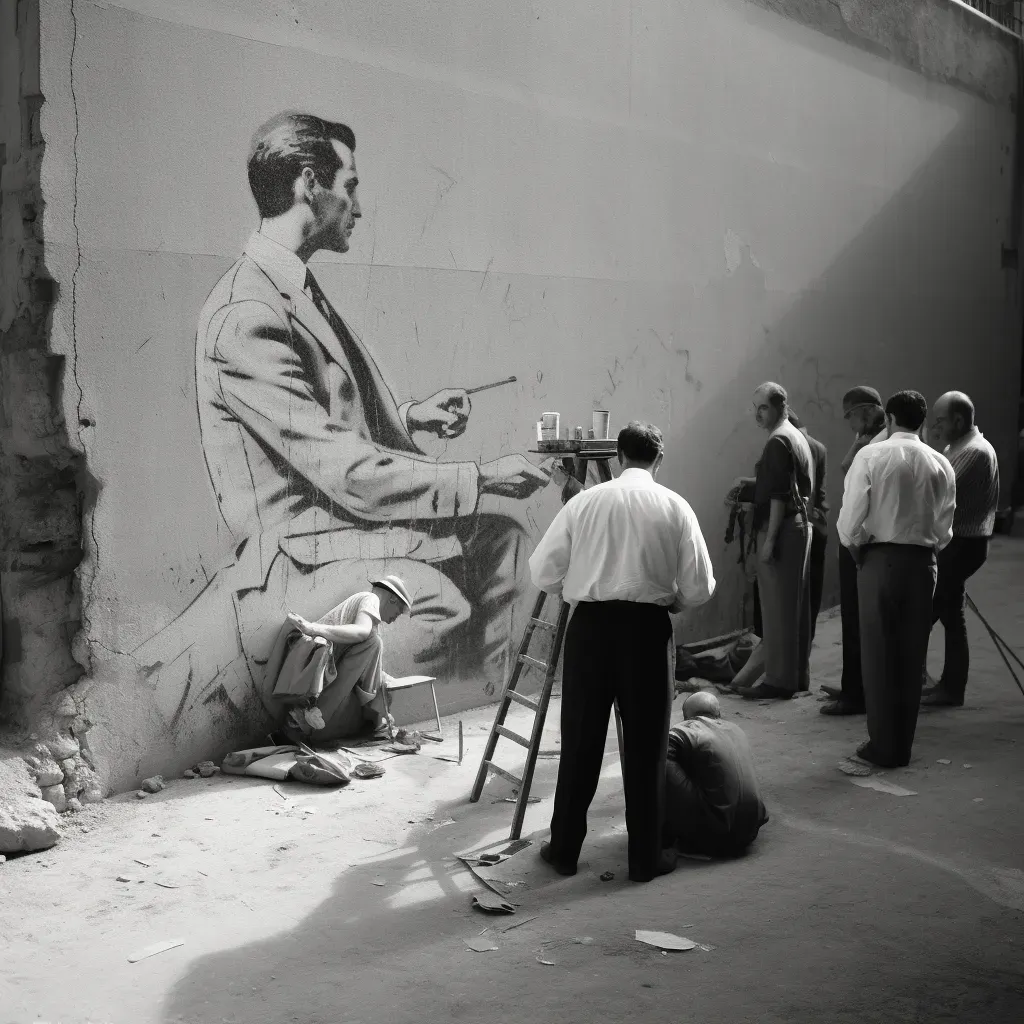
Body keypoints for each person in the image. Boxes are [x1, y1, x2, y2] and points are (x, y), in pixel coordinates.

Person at [135, 111, 552, 729]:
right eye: (350, 185)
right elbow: (348, 473)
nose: (358, 206)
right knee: (446, 602)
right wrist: (484, 477)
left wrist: (413, 415)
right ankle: (342, 718)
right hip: (302, 549)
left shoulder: (291, 290)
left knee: (501, 542)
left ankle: (475, 706)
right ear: (310, 183)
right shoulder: (247, 315)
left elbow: (316, 421)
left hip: (339, 527)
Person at [528, 421, 716, 883]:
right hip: (647, 633)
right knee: (647, 747)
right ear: (659, 459)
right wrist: (674, 600)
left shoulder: (586, 502)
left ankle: (565, 851)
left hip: (591, 629)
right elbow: (700, 585)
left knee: (580, 743)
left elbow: (542, 571)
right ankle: (645, 858)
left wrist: (575, 590)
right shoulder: (675, 506)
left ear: (617, 457)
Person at [836, 390, 955, 769]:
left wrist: (858, 555)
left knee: (878, 655)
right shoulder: (941, 463)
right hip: (923, 564)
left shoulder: (871, 455)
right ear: (922, 422)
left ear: (888, 418)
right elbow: (944, 530)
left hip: (879, 560)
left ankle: (882, 744)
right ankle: (901, 745)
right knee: (911, 653)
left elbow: (850, 522)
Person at [733, 383, 814, 701]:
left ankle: (779, 681)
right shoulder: (796, 436)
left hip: (781, 530)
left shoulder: (780, 439)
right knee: (794, 609)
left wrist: (768, 544)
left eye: (763, 407)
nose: (756, 414)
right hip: (799, 526)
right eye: (755, 407)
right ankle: (796, 677)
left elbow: (780, 496)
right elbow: (786, 483)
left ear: (781, 406)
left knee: (777, 610)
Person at [921, 392, 1000, 708]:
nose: (936, 428)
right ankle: (947, 686)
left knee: (932, 613)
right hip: (959, 543)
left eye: (939, 421)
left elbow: (936, 488)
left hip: (964, 544)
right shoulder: (958, 447)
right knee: (947, 614)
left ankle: (941, 687)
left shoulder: (974, 452)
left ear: (957, 419)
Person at [271, 576, 412, 741]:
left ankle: (307, 724)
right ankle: (315, 718)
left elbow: (368, 663)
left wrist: (385, 684)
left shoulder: (372, 621)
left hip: (324, 670)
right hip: (314, 664)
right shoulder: (371, 599)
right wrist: (312, 627)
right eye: (399, 610)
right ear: (392, 599)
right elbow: (361, 632)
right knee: (374, 642)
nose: (397, 617)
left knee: (380, 679)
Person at [821, 386, 889, 716]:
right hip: (863, 541)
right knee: (855, 620)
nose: (848, 424)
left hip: (864, 542)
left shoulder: (880, 443)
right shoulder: (871, 438)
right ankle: (854, 686)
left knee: (858, 621)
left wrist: (851, 542)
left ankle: (857, 695)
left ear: (864, 411)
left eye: (850, 416)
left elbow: (848, 470)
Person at [663, 692, 769, 858]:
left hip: (711, 837)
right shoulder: (736, 729)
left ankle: (658, 837)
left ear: (687, 717)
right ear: (718, 714)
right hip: (750, 831)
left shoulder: (686, 729)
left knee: (658, 759)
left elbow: (658, 754)